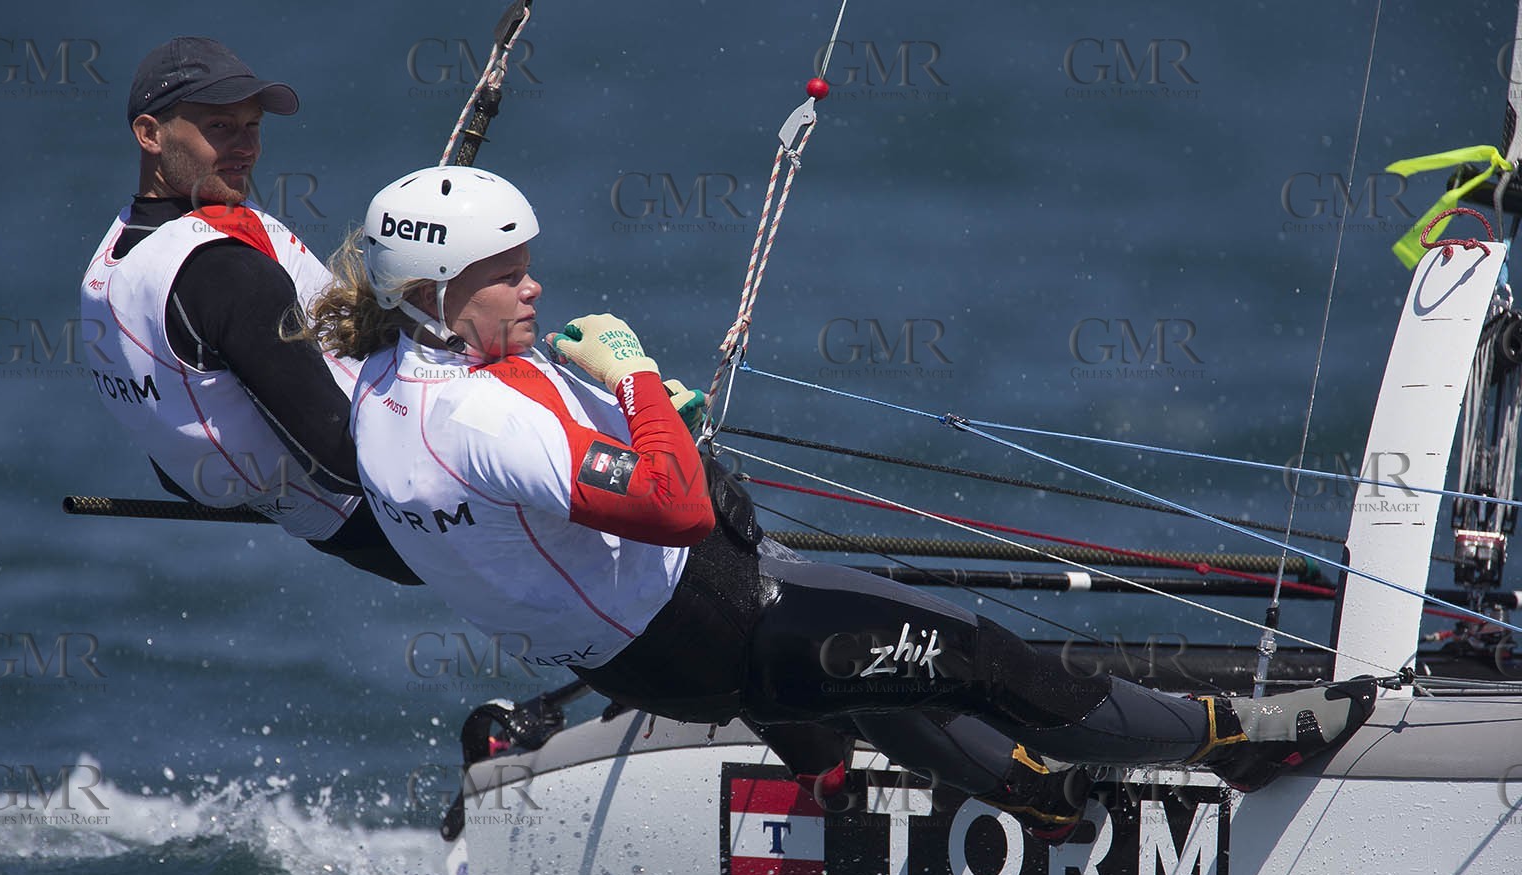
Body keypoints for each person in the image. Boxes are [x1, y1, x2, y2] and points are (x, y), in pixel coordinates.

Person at [314, 165, 1377, 840]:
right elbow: (677, 508)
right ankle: (1233, 736)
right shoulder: (485, 417)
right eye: (507, 273)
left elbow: (550, 489)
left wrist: (645, 420)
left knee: (872, 685)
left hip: (651, 652)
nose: (532, 286)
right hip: (727, 621)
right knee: (980, 656)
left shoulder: (378, 390)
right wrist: (637, 378)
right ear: (435, 294)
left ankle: (1024, 801)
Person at [78, 36, 417, 584]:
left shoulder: (118, 254)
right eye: (219, 127)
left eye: (252, 126)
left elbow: (169, 440)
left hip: (329, 518)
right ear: (150, 134)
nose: (246, 147)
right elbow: (340, 461)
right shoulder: (223, 272)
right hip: (393, 519)